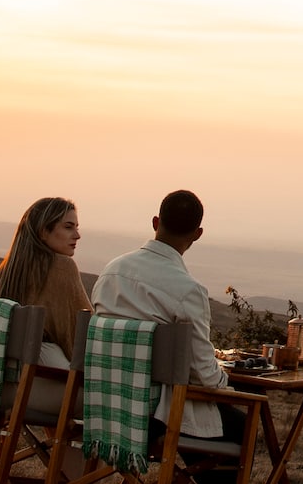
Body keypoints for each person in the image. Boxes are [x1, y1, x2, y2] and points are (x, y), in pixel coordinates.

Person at [90, 188, 243, 451]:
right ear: (198, 234)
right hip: (152, 416)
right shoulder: (188, 289)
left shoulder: (111, 271)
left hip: (102, 403)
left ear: (155, 223)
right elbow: (204, 375)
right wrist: (228, 385)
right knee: (240, 421)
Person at [0, 196, 92, 427]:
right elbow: (82, 338)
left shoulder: (7, 271)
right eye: (68, 227)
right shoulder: (62, 266)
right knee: (108, 404)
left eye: (76, 227)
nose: (77, 235)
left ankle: (61, 463)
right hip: (39, 388)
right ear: (43, 231)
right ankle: (95, 464)